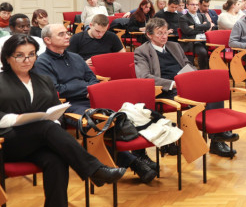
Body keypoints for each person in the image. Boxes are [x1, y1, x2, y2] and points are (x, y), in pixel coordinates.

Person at [0, 34, 126, 207]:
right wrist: (17, 119)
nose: (27, 60)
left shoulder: (43, 80)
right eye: (20, 55)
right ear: (7, 58)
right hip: (8, 141)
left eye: (31, 54)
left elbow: (54, 110)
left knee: (57, 160)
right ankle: (94, 169)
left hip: (40, 141)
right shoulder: (1, 81)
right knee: (45, 127)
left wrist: (55, 123)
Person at [35, 24, 157, 183]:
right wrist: (85, 88)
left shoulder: (75, 57)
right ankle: (135, 163)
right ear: (47, 40)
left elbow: (93, 79)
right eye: (61, 34)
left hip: (92, 98)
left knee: (127, 113)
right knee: (99, 124)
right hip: (69, 104)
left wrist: (89, 88)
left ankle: (140, 155)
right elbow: (57, 89)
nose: (67, 36)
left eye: (67, 33)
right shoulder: (42, 62)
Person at [134, 18, 236, 158]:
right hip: (166, 90)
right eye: (159, 33)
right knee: (204, 97)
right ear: (149, 35)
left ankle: (217, 139)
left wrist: (192, 77)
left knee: (214, 92)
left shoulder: (174, 46)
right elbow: (144, 77)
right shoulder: (142, 51)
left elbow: (188, 64)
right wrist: (173, 83)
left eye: (165, 32)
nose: (164, 36)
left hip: (185, 84)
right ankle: (217, 136)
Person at [179, 0, 211, 70]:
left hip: (204, 40)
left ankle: (212, 71)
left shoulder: (202, 15)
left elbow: (208, 26)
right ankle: (203, 71)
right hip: (192, 42)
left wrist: (195, 26)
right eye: (193, 4)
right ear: (187, 6)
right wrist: (202, 28)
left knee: (217, 50)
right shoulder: (183, 18)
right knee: (203, 52)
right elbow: (187, 31)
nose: (195, 6)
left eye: (196, 5)